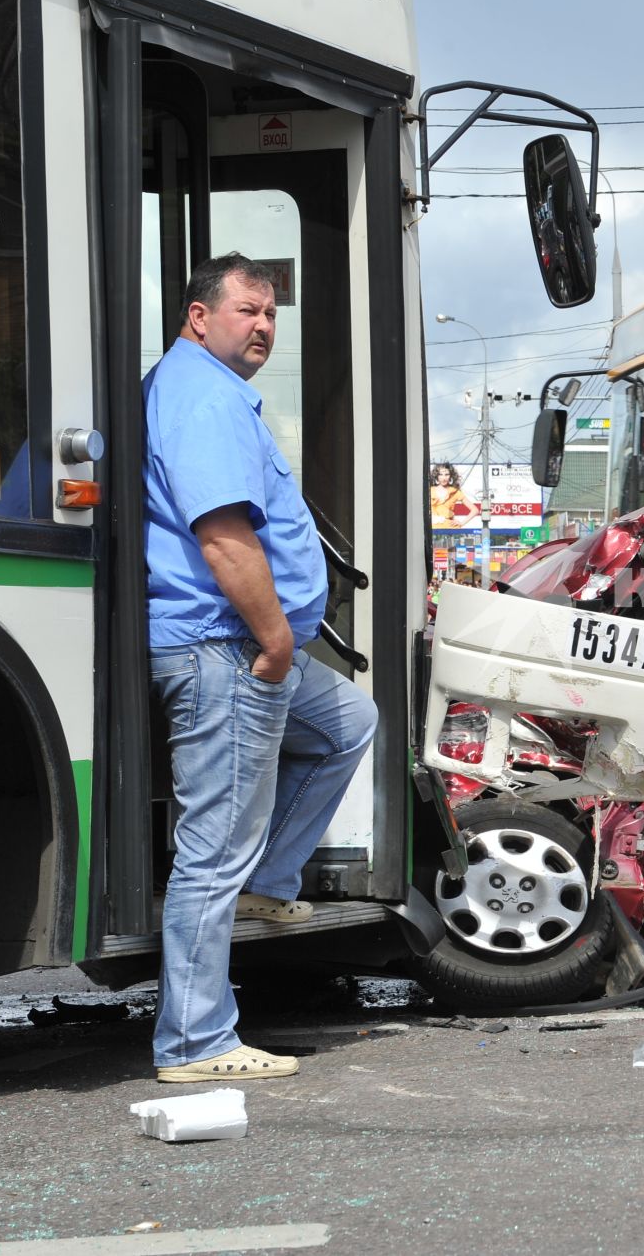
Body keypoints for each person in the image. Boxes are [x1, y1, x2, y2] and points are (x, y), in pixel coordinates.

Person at [143, 253, 377, 1083]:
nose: (265, 327)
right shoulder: (202, 396)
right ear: (199, 317)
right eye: (248, 310)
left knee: (349, 719)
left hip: (237, 642)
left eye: (272, 315)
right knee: (211, 848)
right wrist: (277, 645)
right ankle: (196, 1043)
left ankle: (268, 879)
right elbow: (223, 537)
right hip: (225, 647)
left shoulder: (202, 390)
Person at [430, 462, 470, 527]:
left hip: (449, 528)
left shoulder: (455, 492)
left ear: (451, 476)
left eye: (447, 474)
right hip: (432, 528)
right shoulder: (430, 490)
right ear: (436, 476)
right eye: (441, 474)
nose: (444, 478)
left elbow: (475, 510)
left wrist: (462, 523)